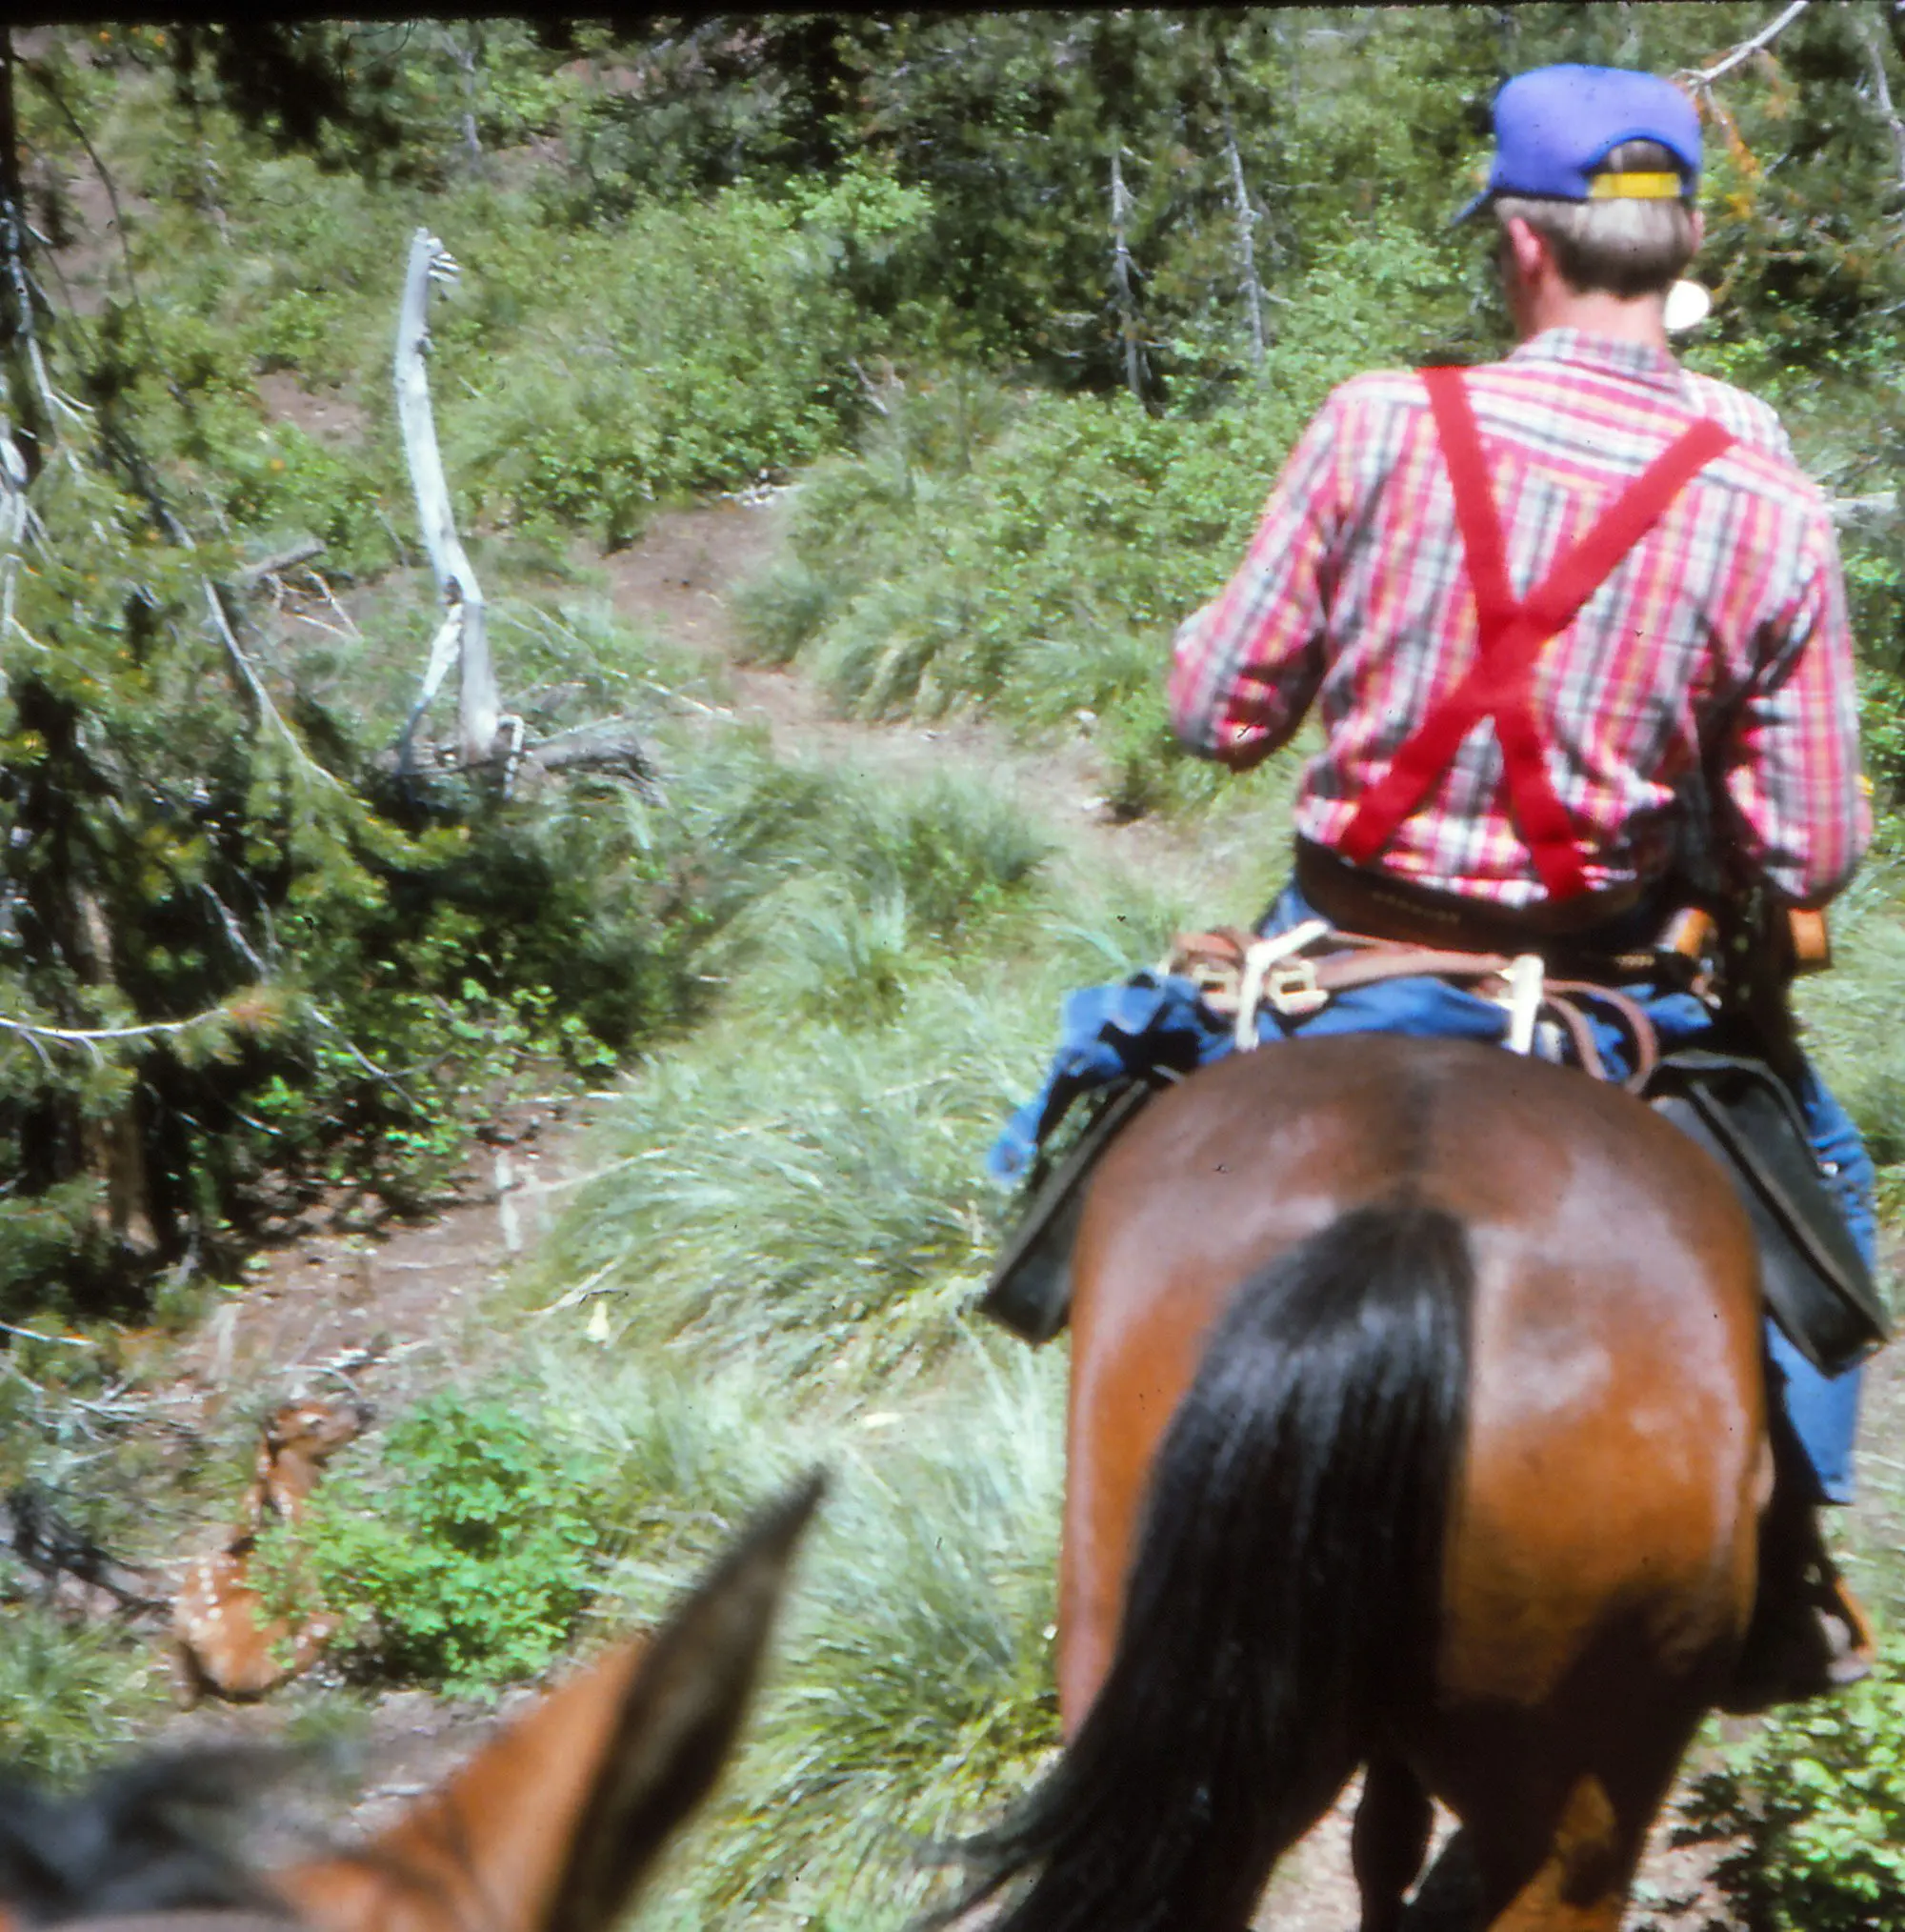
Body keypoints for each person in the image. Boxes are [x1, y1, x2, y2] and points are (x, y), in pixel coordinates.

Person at [1165, 64, 1876, 1703]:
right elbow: (1816, 849)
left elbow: (1216, 719)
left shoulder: (1374, 422)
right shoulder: (1768, 503)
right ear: (1680, 241)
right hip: (1604, 991)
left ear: (1516, 241)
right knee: (1824, 1190)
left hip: (1339, 952)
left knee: (1111, 1107)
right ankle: (1785, 1578)